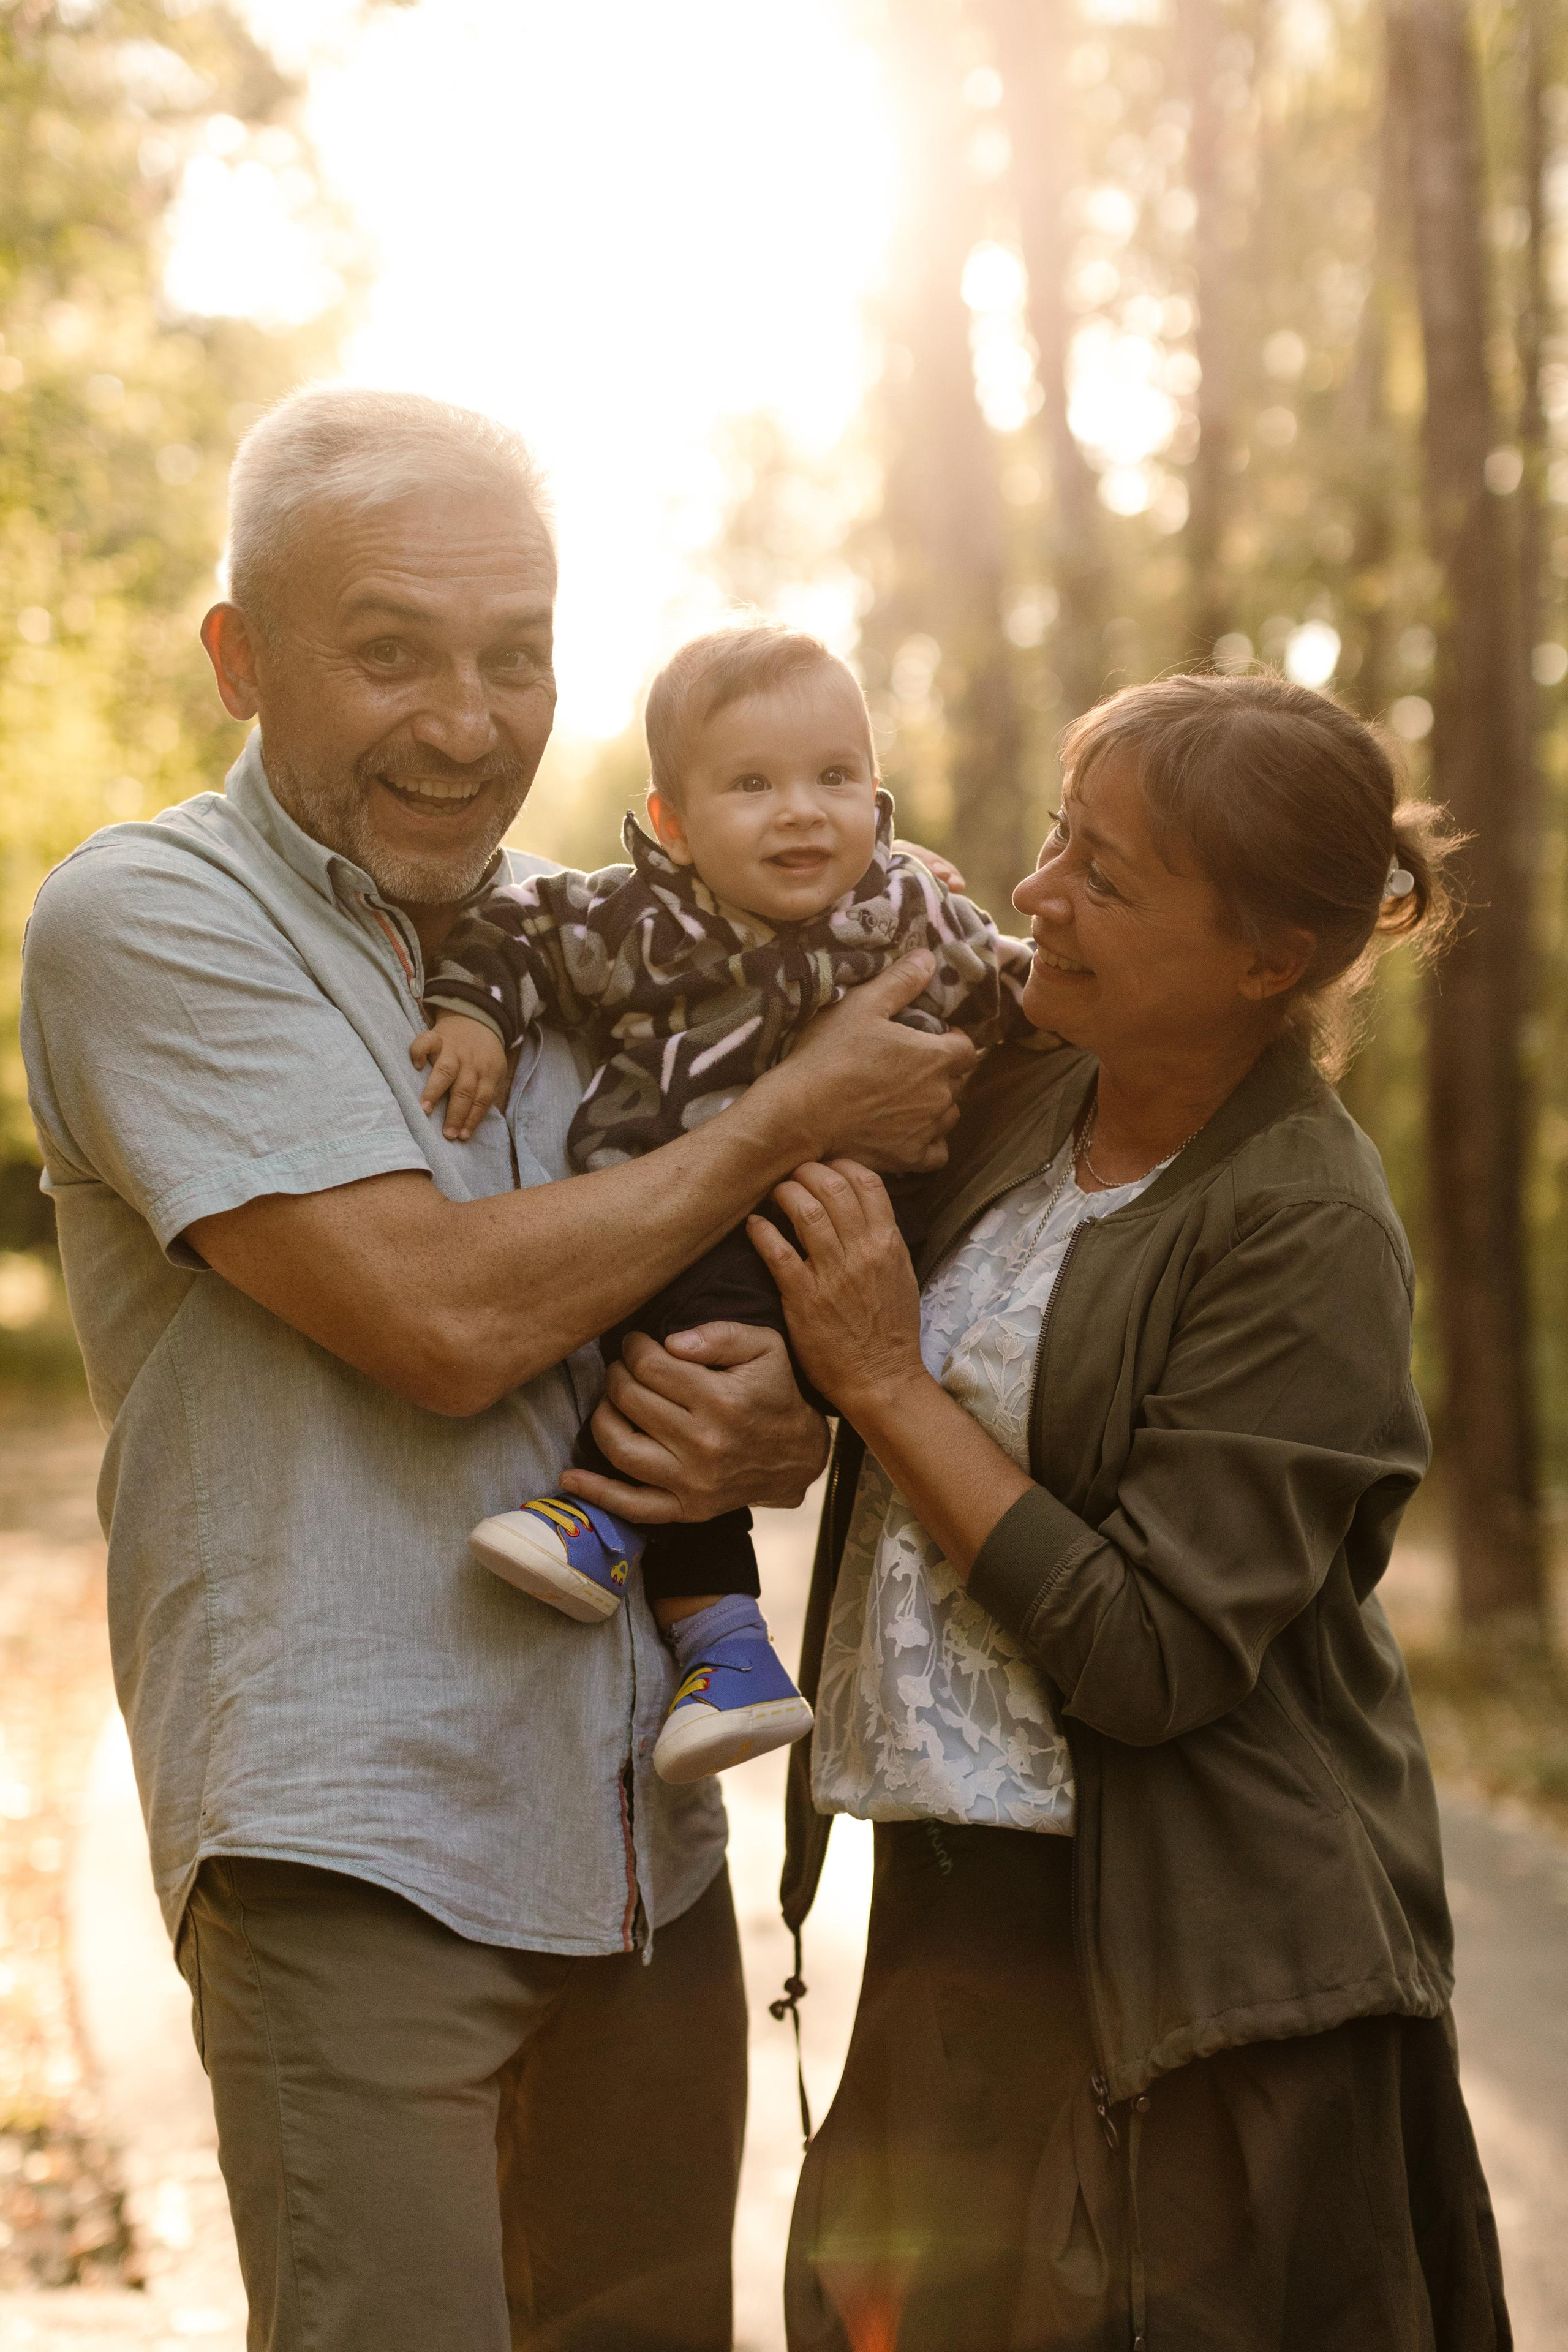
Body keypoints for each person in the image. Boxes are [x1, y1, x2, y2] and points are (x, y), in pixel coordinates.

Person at [18, 385, 975, 2352]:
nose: (468, 725)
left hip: (643, 1851)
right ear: (240, 657)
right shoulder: (152, 920)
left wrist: (779, 1414)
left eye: (515, 658)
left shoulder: (597, 939)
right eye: (391, 654)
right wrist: (787, 1107)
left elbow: (703, 1295)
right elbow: (443, 1318)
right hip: (352, 1843)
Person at [758, 673, 1511, 2351]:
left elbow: (1156, 1655)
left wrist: (886, 1385)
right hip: (945, 1932)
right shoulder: (1028, 1093)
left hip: (1201, 1995)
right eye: (1054, 839)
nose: (1039, 896)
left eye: (1105, 874)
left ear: (1265, 961)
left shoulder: (1304, 1227)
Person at [410, 619, 1033, 1785]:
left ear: (878, 795)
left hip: (854, 1246)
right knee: (689, 1350)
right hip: (671, 1227)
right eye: (753, 785)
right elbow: (517, 931)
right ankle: (726, 1653)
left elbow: (1028, 997)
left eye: (834, 779)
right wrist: (474, 1016)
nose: (801, 811)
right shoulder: (642, 920)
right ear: (673, 823)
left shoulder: (914, 913)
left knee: (716, 1350)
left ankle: (603, 1524)